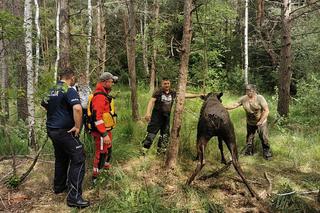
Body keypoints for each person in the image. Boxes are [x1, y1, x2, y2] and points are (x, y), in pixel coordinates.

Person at [41, 69, 90, 208]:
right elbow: (78, 109)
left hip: (52, 129)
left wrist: (56, 114)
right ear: (71, 77)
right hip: (65, 131)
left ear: (60, 77)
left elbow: (44, 104)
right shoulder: (69, 89)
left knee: (61, 157)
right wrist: (77, 126)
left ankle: (59, 186)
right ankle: (74, 197)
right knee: (79, 157)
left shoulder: (52, 89)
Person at [142, 78, 202, 154]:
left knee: (165, 136)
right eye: (165, 83)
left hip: (166, 118)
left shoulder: (172, 93)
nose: (167, 85)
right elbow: (151, 101)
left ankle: (160, 153)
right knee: (151, 134)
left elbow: (184, 95)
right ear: (162, 84)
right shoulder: (158, 92)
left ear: (170, 84)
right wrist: (148, 113)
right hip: (156, 118)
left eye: (168, 83)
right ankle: (144, 151)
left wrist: (198, 95)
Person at [225, 84, 272, 160]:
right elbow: (234, 105)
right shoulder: (244, 99)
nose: (248, 92)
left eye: (250, 90)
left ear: (254, 91)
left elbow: (266, 110)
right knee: (249, 139)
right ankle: (249, 152)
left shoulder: (260, 98)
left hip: (261, 122)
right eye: (247, 90)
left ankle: (267, 153)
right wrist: (223, 107)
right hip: (250, 122)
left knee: (264, 138)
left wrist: (261, 121)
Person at [90, 72, 118, 183]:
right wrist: (104, 134)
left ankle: (105, 173)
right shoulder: (99, 97)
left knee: (108, 151)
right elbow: (98, 117)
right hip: (101, 133)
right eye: (111, 82)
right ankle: (96, 179)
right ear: (104, 82)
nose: (112, 84)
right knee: (101, 154)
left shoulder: (104, 94)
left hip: (106, 131)